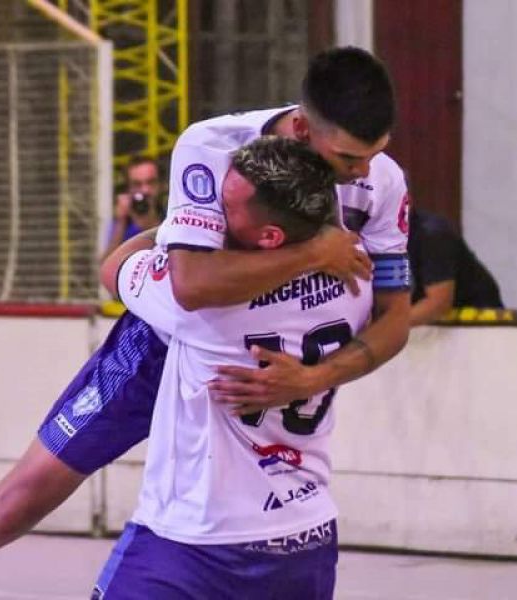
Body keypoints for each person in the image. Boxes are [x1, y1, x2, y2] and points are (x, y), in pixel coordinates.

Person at [0, 45, 407, 599]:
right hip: (168, 336)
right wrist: (314, 255)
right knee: (17, 501)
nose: (364, 173)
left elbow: (395, 316)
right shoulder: (214, 144)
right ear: (299, 129)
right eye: (348, 159)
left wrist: (313, 376)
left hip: (235, 344)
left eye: (374, 156)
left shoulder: (381, 178)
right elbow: (191, 289)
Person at [93, 136, 373, 599]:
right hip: (306, 535)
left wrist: (182, 224)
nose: (213, 209)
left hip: (195, 538)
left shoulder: (198, 300)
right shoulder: (354, 282)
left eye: (227, 204)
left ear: (270, 237)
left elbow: (113, 269)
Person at [408, 207, 503, 326]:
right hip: (426, 327)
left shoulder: (432, 234)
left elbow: (438, 303)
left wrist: (386, 328)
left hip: (475, 325)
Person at [101, 156, 165, 261]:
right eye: (137, 184)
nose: (145, 190)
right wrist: (120, 223)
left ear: (161, 185)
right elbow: (106, 265)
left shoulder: (172, 216)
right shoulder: (123, 222)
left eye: (151, 182)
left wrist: (150, 224)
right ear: (129, 188)